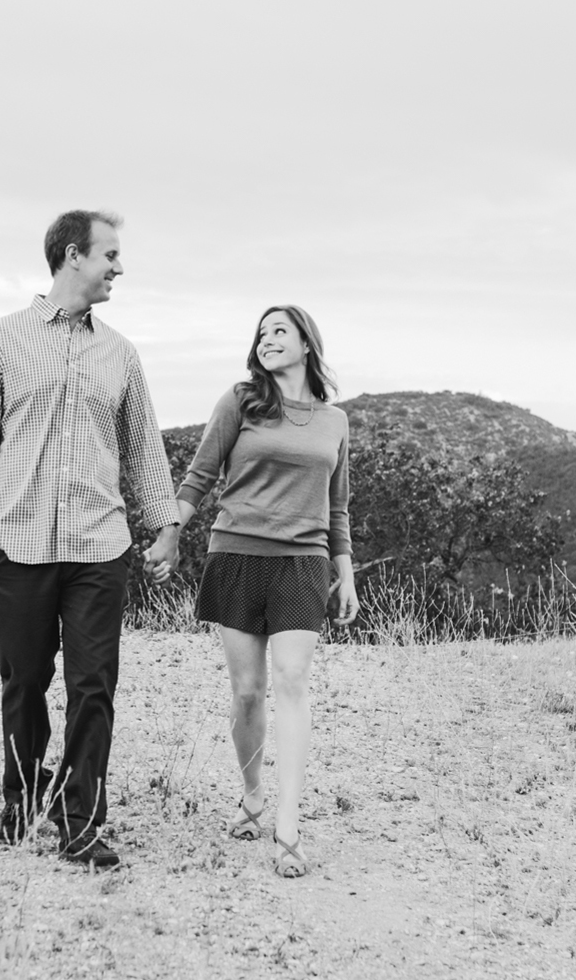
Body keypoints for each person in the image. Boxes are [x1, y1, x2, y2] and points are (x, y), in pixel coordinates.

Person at [0, 209, 183, 869]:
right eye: (110, 254)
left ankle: (80, 820)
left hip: (98, 546)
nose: (118, 267)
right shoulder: (0, 341)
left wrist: (163, 526)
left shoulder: (121, 353)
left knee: (93, 686)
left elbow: (143, 448)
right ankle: (22, 800)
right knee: (24, 683)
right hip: (17, 546)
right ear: (73, 255)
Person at [173, 304, 358, 878]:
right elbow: (200, 476)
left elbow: (338, 505)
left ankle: (288, 825)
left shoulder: (335, 421)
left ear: (307, 343)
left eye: (281, 330)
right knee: (249, 691)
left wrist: (345, 571)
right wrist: (169, 535)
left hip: (304, 561)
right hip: (237, 553)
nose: (268, 339)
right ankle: (252, 796)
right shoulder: (239, 401)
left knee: (292, 683)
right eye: (261, 333)